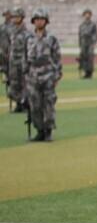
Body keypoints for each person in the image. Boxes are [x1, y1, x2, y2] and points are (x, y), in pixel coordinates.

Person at [25, 9, 62, 142]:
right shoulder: (28, 38)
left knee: (48, 104)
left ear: (46, 21)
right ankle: (39, 130)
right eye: (36, 19)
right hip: (33, 76)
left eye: (41, 19)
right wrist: (25, 76)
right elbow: (26, 59)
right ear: (33, 21)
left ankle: (48, 131)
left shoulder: (51, 38)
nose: (39, 21)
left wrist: (57, 76)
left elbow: (57, 57)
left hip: (48, 76)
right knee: (35, 105)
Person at [7, 8, 31, 113]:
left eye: (17, 17)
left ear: (22, 18)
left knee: (24, 84)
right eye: (13, 17)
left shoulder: (27, 33)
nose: (14, 19)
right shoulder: (11, 31)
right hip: (13, 63)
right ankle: (18, 104)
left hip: (22, 62)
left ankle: (25, 104)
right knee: (14, 84)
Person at [78, 8, 97, 79]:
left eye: (88, 14)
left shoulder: (93, 25)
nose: (87, 15)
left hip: (90, 42)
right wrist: (80, 44)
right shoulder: (81, 25)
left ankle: (90, 73)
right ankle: (85, 72)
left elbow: (95, 34)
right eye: (86, 14)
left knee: (90, 57)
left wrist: (94, 42)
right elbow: (80, 35)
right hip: (83, 42)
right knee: (84, 58)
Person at [0, 9, 12, 84]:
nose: (7, 16)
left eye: (8, 14)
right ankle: (5, 74)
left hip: (11, 49)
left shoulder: (13, 26)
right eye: (5, 15)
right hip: (3, 48)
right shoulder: (1, 27)